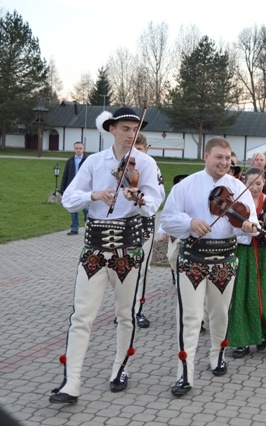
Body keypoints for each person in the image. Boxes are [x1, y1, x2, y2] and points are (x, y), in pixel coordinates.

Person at [50, 107, 164, 404]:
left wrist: (137, 199)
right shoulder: (94, 162)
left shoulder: (147, 164)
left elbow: (154, 203)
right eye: (125, 128)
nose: (131, 134)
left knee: (125, 315)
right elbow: (70, 200)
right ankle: (71, 382)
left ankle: (120, 368)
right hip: (95, 249)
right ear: (112, 129)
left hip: (128, 249)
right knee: (81, 316)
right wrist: (95, 195)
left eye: (135, 129)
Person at [160, 136, 259, 397]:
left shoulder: (238, 187)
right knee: (190, 317)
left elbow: (252, 226)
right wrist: (190, 223)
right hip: (192, 258)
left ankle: (217, 356)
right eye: (219, 157)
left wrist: (248, 227)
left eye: (228, 158)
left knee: (220, 314)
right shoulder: (186, 185)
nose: (224, 162)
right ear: (206, 157)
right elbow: (167, 220)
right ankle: (184, 374)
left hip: (225, 259)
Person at [228, 167, 266, 358]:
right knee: (243, 294)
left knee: (265, 294)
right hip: (244, 252)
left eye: (259, 184)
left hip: (265, 254)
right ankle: (242, 340)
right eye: (251, 184)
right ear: (245, 183)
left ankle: (262, 332)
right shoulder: (238, 204)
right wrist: (245, 229)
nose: (255, 188)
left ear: (264, 184)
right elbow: (232, 230)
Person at [132, 133, 165, 328]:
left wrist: (141, 197)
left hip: (144, 222)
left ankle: (138, 310)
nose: (136, 153)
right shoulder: (120, 166)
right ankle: (123, 310)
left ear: (146, 149)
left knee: (142, 268)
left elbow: (159, 195)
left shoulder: (153, 167)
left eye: (140, 149)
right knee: (122, 269)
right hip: (123, 224)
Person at [60, 141, 88, 235]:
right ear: (74, 149)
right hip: (72, 188)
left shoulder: (87, 160)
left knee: (86, 209)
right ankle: (74, 228)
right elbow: (65, 175)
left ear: (83, 149)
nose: (78, 150)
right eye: (76, 148)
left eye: (80, 148)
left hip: (84, 188)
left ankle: (88, 227)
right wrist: (62, 189)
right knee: (73, 209)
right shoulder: (70, 161)